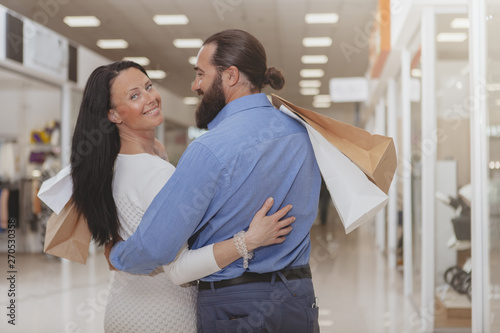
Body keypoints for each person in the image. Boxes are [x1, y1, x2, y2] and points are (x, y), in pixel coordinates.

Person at [109, 29, 322, 332]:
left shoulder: (210, 149)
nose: (195, 85)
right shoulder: (302, 133)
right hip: (297, 296)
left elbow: (157, 247)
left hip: (235, 305)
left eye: (200, 74)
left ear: (231, 75)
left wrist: (117, 255)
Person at [70, 60, 296, 332]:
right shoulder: (156, 173)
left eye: (148, 86)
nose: (150, 98)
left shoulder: (108, 165)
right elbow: (179, 269)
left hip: (124, 308)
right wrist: (248, 240)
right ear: (113, 115)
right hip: (163, 316)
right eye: (134, 96)